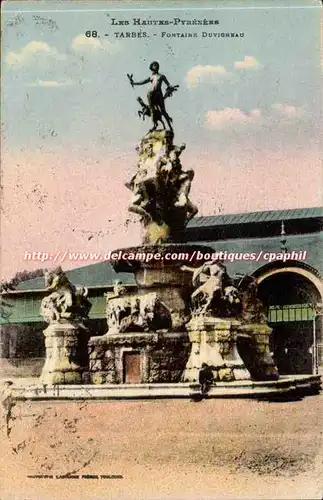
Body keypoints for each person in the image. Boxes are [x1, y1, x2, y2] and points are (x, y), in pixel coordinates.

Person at [127, 61, 177, 131]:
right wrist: (134, 83)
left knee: (163, 111)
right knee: (152, 110)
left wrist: (171, 87)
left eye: (157, 65)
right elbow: (143, 82)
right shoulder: (151, 77)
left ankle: (170, 127)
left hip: (159, 94)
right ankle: (154, 125)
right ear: (151, 67)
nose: (156, 66)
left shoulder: (162, 76)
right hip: (150, 94)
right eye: (154, 65)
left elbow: (168, 84)